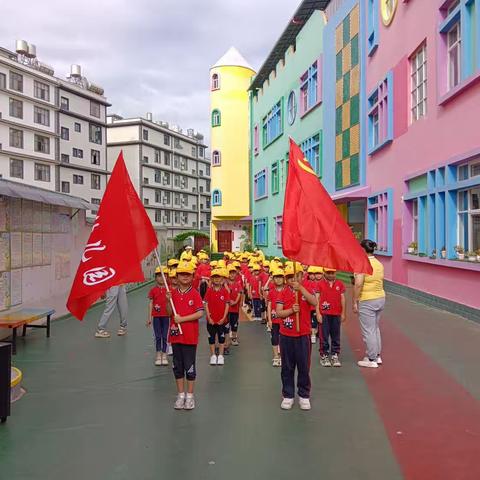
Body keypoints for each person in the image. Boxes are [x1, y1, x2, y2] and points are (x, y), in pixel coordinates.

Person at [276, 266, 317, 411]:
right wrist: (291, 311)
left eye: (296, 276)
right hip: (286, 335)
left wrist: (301, 289)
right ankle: (288, 395)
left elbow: (314, 302)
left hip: (303, 335)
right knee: (287, 367)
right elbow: (279, 313)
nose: (293, 279)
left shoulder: (305, 290)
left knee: (304, 366)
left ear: (301, 276)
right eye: (289, 277)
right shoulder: (283, 293)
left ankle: (304, 395)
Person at [166, 262, 204, 410]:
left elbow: (200, 312)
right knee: (177, 366)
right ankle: (180, 395)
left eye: (188, 274)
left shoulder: (194, 293)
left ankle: (190, 396)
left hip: (189, 337)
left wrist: (183, 319)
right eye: (182, 274)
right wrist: (168, 300)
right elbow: (169, 312)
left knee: (190, 367)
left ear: (192, 276)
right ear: (177, 276)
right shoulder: (173, 293)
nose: (185, 277)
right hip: (176, 337)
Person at [353, 239, 386, 369]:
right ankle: (377, 355)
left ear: (362, 250)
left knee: (368, 330)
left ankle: (372, 358)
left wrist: (355, 301)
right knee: (375, 328)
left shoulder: (362, 264)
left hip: (367, 299)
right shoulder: (379, 263)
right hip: (380, 297)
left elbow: (358, 284)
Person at [317, 268, 346, 367]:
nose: (330, 275)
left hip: (336, 314)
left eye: (332, 273)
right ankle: (324, 355)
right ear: (324, 273)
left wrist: (343, 313)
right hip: (324, 314)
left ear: (335, 273)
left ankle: (335, 354)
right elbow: (316, 299)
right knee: (323, 335)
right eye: (328, 273)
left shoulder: (340, 284)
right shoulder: (319, 284)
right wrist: (318, 313)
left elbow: (342, 298)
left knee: (336, 335)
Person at [204, 269, 230, 365]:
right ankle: (213, 355)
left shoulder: (225, 292)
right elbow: (206, 304)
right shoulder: (209, 291)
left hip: (221, 320)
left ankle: (221, 356)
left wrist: (223, 318)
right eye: (215, 277)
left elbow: (227, 305)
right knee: (211, 338)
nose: (217, 279)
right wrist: (209, 317)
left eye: (219, 277)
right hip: (211, 320)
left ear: (222, 279)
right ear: (212, 279)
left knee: (221, 338)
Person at [147, 267, 170, 366]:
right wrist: (149, 318)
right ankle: (158, 354)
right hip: (156, 317)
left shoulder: (169, 290)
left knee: (165, 336)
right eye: (159, 275)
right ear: (156, 277)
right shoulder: (153, 290)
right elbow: (151, 304)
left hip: (166, 316)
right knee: (157, 336)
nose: (162, 278)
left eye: (164, 275)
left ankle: (164, 354)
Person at [267, 269, 285, 367]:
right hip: (274, 319)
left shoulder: (286, 290)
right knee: (274, 338)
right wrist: (269, 319)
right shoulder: (271, 291)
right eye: (276, 277)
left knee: (283, 339)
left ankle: (283, 356)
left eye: (280, 277)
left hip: (284, 319)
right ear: (273, 279)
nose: (278, 280)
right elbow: (269, 306)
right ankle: (276, 356)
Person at [227, 265, 242, 347]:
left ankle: (234, 337)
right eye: (230, 273)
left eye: (234, 273)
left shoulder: (238, 284)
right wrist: (229, 301)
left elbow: (239, 293)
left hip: (235, 309)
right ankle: (226, 339)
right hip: (227, 309)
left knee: (235, 323)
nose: (232, 275)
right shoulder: (225, 284)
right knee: (226, 324)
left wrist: (236, 301)